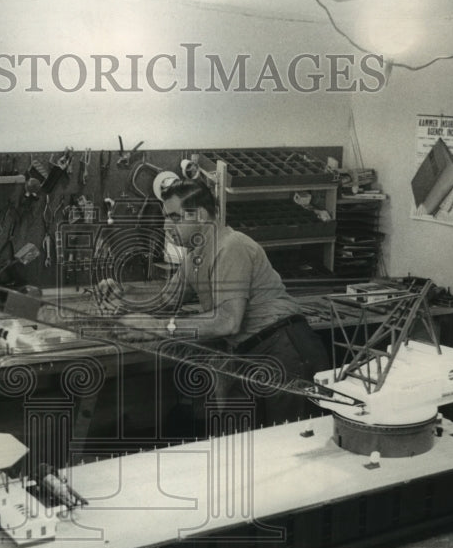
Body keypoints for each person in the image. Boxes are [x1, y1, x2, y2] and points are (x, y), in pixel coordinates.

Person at [102, 178, 330, 430]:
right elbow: (165, 301)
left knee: (291, 444)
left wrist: (159, 327)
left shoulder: (231, 246)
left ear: (199, 214)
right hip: (252, 353)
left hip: (284, 348)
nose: (166, 225)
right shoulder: (195, 257)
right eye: (166, 217)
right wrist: (122, 298)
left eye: (175, 217)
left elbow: (227, 321)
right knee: (255, 448)